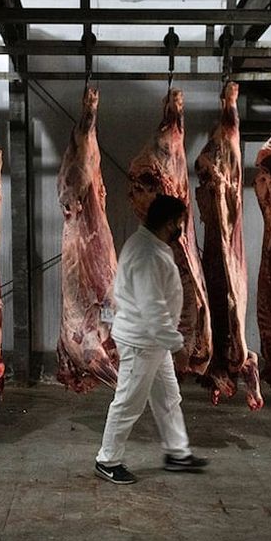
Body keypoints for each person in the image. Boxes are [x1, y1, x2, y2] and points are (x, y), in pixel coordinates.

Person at [94, 194, 209, 485]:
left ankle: (177, 453)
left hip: (152, 342)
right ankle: (107, 460)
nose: (182, 228)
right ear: (170, 222)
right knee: (128, 402)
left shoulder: (148, 245)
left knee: (169, 398)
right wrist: (178, 345)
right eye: (181, 222)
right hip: (141, 342)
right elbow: (152, 308)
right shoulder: (148, 254)